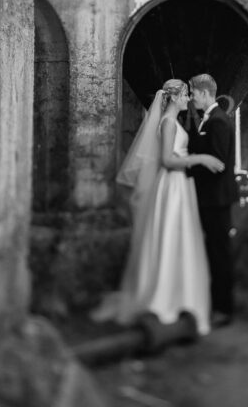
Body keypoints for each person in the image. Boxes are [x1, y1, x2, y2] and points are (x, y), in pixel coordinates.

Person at [91, 79, 225, 335]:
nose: (188, 98)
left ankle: (179, 298)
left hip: (179, 186)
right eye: (185, 94)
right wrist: (201, 158)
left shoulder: (171, 122)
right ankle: (165, 299)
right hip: (172, 186)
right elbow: (165, 160)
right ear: (174, 98)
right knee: (171, 238)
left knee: (178, 239)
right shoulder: (167, 124)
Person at [187, 74, 239, 328]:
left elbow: (216, 163)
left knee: (220, 254)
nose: (191, 97)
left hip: (216, 199)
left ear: (204, 93)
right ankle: (215, 303)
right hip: (211, 198)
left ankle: (224, 309)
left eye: (193, 93)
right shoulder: (211, 119)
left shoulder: (218, 122)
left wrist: (184, 170)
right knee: (214, 251)